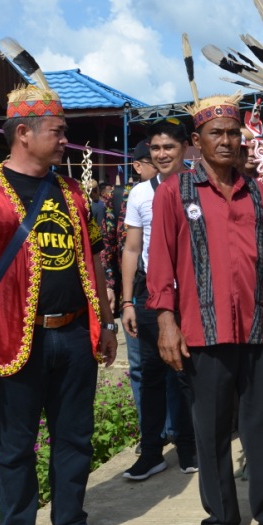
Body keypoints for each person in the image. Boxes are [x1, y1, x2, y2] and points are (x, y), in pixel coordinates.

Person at [0, 80, 118, 525]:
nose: (65, 140)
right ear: (24, 133)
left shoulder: (71, 192)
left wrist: (106, 322)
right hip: (10, 340)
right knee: (16, 447)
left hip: (73, 338)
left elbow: (94, 259)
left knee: (75, 439)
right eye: (59, 132)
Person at [146, 92, 263, 525]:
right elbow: (159, 264)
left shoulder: (256, 191)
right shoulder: (174, 193)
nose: (225, 141)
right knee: (212, 427)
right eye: (215, 133)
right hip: (202, 329)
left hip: (258, 326)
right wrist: (166, 322)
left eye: (232, 133)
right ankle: (220, 518)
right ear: (196, 141)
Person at [120, 121, 197, 480]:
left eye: (169, 147)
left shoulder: (200, 186)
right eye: (155, 148)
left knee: (187, 374)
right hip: (152, 294)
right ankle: (151, 451)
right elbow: (132, 249)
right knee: (150, 374)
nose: (162, 154)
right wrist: (127, 303)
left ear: (186, 148)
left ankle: (190, 447)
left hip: (195, 296)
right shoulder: (139, 194)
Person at [101, 139, 155, 426]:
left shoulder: (174, 190)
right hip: (130, 293)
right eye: (153, 159)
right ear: (137, 165)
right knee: (138, 364)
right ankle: (149, 429)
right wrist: (110, 285)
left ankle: (174, 428)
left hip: (164, 290)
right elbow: (107, 245)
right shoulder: (121, 197)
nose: (161, 162)